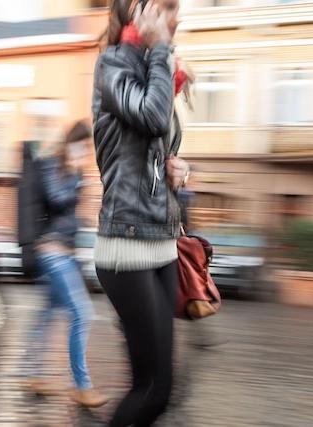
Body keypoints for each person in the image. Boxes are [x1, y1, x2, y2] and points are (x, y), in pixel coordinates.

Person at [92, 0, 192, 424]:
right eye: (169, 7)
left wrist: (180, 168)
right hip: (126, 243)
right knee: (148, 389)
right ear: (140, 10)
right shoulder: (114, 64)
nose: (178, 17)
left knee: (160, 391)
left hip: (162, 243)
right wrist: (161, 50)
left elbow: (159, 144)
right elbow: (151, 117)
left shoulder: (157, 68)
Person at [22, 121, 108, 408]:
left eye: (88, 147)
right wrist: (73, 172)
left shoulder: (77, 171)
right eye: (82, 145)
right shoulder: (52, 166)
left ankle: (31, 373)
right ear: (71, 142)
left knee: (47, 314)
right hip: (52, 251)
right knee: (82, 313)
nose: (86, 151)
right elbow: (57, 198)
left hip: (67, 251)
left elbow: (73, 212)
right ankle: (82, 386)